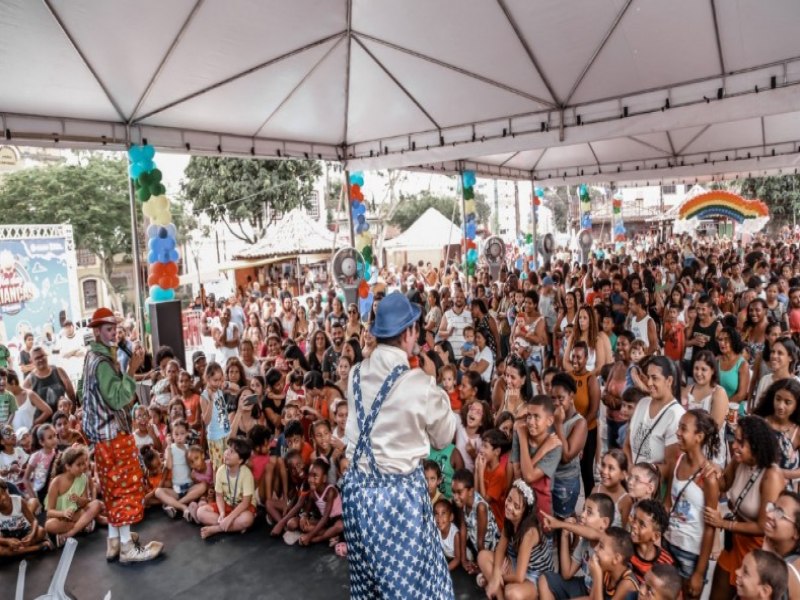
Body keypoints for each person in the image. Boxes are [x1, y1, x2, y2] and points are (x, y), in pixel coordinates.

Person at [341, 291, 458, 599]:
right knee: (412, 589)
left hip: (355, 494)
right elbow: (444, 436)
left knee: (368, 586)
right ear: (409, 333)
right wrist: (435, 386)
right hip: (397, 499)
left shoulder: (354, 374)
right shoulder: (417, 383)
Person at [80, 307, 162, 562]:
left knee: (113, 489)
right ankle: (127, 547)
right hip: (113, 435)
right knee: (124, 489)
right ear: (96, 332)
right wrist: (130, 371)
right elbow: (118, 399)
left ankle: (115, 540)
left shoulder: (94, 356)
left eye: (114, 327)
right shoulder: (102, 362)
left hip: (104, 437)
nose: (113, 332)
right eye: (108, 328)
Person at [704, 415, 783, 600]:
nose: (734, 446)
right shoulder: (738, 460)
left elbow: (763, 526)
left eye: (741, 442)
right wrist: (714, 470)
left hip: (757, 551)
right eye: (735, 439)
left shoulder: (771, 476)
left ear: (756, 445)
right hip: (735, 543)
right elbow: (724, 484)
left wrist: (723, 524)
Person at [478, 480, 554, 598]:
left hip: (536, 576)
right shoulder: (509, 519)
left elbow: (519, 577)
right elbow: (500, 550)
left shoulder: (529, 533)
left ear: (525, 512)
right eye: (509, 499)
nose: (509, 507)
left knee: (512, 593)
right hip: (516, 564)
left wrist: (499, 576)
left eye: (516, 506)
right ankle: (499, 596)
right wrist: (496, 573)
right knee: (482, 556)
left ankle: (493, 584)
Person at [23, 346, 75, 418]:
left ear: (46, 356)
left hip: (62, 422)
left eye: (42, 356)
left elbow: (72, 396)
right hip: (43, 425)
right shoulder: (29, 381)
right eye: (37, 358)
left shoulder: (59, 371)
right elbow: (24, 408)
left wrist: (71, 415)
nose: (41, 360)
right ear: (31, 361)